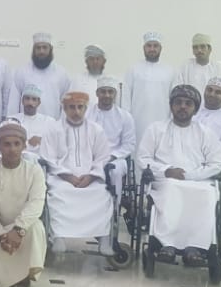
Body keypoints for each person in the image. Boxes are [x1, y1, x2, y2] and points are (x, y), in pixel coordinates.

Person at [136, 85, 221, 266]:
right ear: (171, 106)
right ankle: (166, 245)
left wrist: (191, 175)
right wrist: (166, 170)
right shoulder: (156, 129)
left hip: (198, 181)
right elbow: (143, 158)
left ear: (195, 109)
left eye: (188, 103)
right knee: (171, 189)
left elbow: (217, 162)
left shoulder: (205, 133)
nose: (182, 107)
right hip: (165, 181)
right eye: (178, 103)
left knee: (207, 194)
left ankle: (195, 247)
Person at [0, 122, 47, 287]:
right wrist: (3, 235)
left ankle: (25, 275)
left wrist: (18, 229)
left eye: (17, 144)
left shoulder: (35, 172)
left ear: (24, 146)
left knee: (37, 227)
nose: (12, 149)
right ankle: (4, 276)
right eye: (7, 144)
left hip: (24, 230)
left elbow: (36, 204)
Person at [43, 91, 115, 256]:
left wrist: (91, 176)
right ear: (64, 109)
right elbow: (48, 157)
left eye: (80, 107)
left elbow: (103, 156)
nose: (76, 112)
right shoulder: (53, 129)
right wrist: (67, 176)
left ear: (85, 108)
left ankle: (104, 239)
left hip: (90, 178)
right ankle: (58, 236)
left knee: (101, 195)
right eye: (71, 107)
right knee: (59, 194)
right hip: (61, 178)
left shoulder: (96, 130)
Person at [123, 32, 176, 140]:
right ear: (144, 48)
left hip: (163, 120)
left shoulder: (170, 71)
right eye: (149, 46)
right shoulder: (133, 69)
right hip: (137, 122)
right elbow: (126, 97)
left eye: (155, 46)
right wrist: (126, 122)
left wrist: (173, 121)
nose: (152, 49)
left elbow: (174, 98)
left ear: (161, 48)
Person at [88, 76, 136, 183]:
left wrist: (112, 156)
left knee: (115, 170)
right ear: (97, 93)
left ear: (115, 94)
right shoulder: (87, 114)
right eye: (103, 92)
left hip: (115, 159)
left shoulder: (125, 117)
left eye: (110, 92)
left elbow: (129, 144)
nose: (107, 95)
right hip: (89, 158)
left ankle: (114, 195)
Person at [10, 33, 70, 118]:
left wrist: (63, 123)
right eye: (38, 48)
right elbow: (13, 102)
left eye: (45, 48)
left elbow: (66, 103)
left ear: (50, 49)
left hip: (52, 122)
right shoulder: (22, 72)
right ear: (33, 50)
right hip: (25, 123)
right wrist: (11, 121)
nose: (41, 51)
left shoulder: (61, 73)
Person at [9, 84, 59, 156]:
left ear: (39, 102)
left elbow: (57, 144)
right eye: (27, 99)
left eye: (34, 99)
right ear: (22, 101)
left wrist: (42, 140)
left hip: (40, 160)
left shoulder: (48, 121)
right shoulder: (11, 120)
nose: (30, 103)